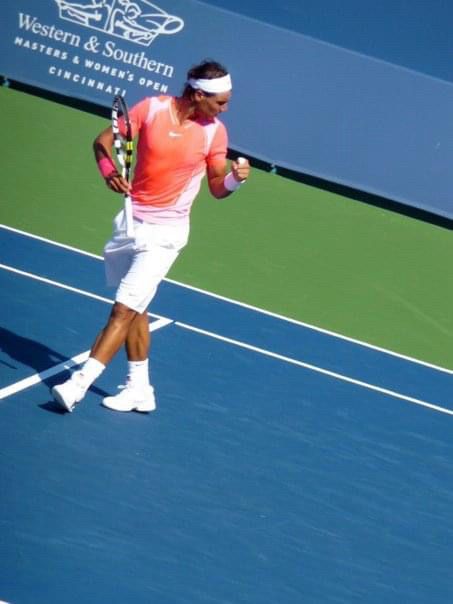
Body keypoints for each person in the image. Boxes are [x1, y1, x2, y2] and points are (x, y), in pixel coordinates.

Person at [51, 59, 250, 413]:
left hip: (167, 234)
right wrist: (108, 170)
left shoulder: (214, 132)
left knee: (122, 310)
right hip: (130, 224)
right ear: (198, 94)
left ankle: (77, 385)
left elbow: (218, 187)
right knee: (138, 310)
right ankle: (140, 390)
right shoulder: (152, 109)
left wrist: (236, 178)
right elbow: (102, 141)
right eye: (220, 101)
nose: (225, 108)